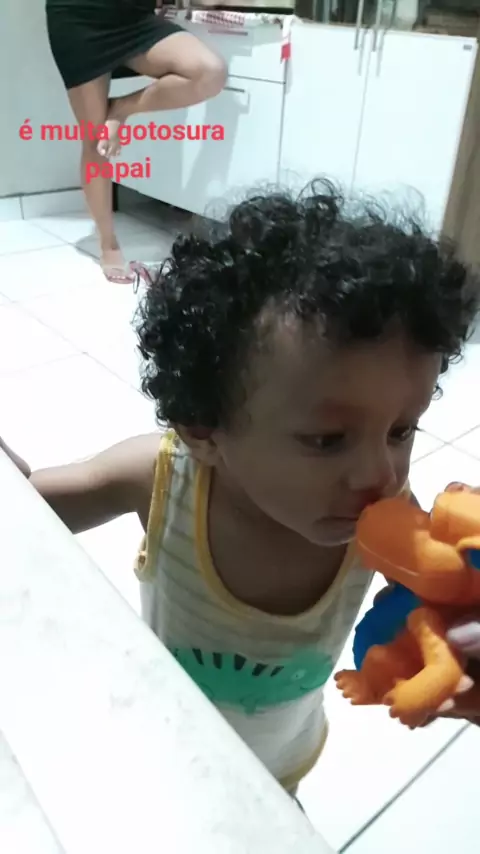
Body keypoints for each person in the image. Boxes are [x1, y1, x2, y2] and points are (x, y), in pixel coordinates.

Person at [3, 181, 480, 796]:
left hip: (282, 759)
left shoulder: (389, 512)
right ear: (205, 430)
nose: (380, 474)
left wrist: (455, 644)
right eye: (328, 439)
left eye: (400, 430)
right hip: (165, 739)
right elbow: (31, 507)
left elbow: (440, 601)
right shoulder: (162, 478)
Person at [46, 0, 227, 284]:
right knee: (96, 139)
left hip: (133, 17)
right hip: (78, 16)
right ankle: (109, 245)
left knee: (210, 72)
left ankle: (120, 108)